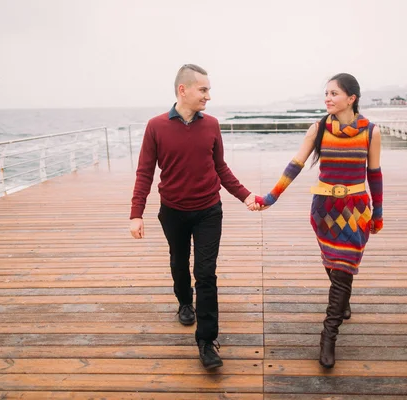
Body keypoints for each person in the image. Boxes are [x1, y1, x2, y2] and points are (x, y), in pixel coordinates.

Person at [129, 64, 257, 370]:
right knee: (178, 260)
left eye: (209, 90)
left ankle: (206, 340)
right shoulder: (156, 126)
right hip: (172, 211)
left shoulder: (211, 125)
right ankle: (185, 302)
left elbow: (221, 167)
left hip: (208, 211)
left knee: (206, 273)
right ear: (182, 90)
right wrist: (136, 213)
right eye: (204, 90)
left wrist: (246, 195)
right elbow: (145, 172)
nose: (209, 96)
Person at [251, 73, 383, 368]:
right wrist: (271, 197)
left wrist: (378, 211)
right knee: (333, 264)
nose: (328, 98)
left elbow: (374, 173)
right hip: (325, 209)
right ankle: (343, 298)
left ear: (352, 98)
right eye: (326, 93)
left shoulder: (371, 131)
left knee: (344, 265)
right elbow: (295, 164)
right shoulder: (319, 128)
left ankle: (328, 335)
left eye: (334, 93)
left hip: (357, 210)